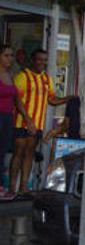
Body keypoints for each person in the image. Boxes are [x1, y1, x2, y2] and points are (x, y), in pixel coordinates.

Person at [9, 49, 70, 194]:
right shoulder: (22, 76)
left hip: (37, 124)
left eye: (44, 60)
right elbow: (17, 101)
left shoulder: (46, 79)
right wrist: (28, 119)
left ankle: (23, 187)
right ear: (32, 60)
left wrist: (68, 98)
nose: (41, 63)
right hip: (20, 122)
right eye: (39, 59)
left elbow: (52, 100)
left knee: (29, 153)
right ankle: (11, 188)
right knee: (18, 153)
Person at [0, 45, 35, 199]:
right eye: (6, 55)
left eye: (11, 55)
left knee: (3, 151)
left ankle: (1, 185)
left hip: (8, 117)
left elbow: (17, 100)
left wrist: (28, 119)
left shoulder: (10, 75)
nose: (10, 58)